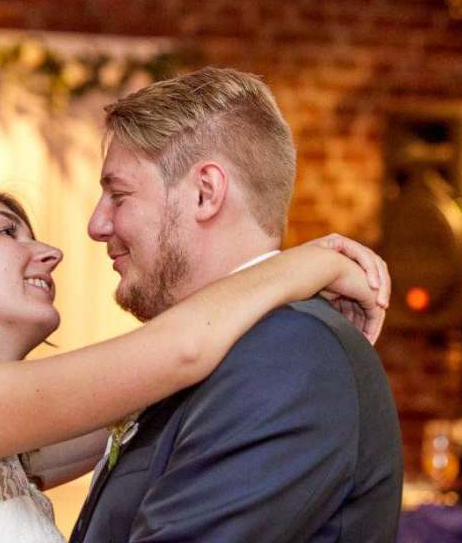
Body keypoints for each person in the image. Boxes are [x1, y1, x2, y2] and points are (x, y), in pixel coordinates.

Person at [0, 184, 388, 542]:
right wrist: (314, 262)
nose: (51, 253)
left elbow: (151, 400)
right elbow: (179, 351)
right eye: (6, 231)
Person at [70, 67, 403, 543]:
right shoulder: (214, 347)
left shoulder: (286, 357)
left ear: (205, 193)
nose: (97, 224)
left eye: (118, 195)